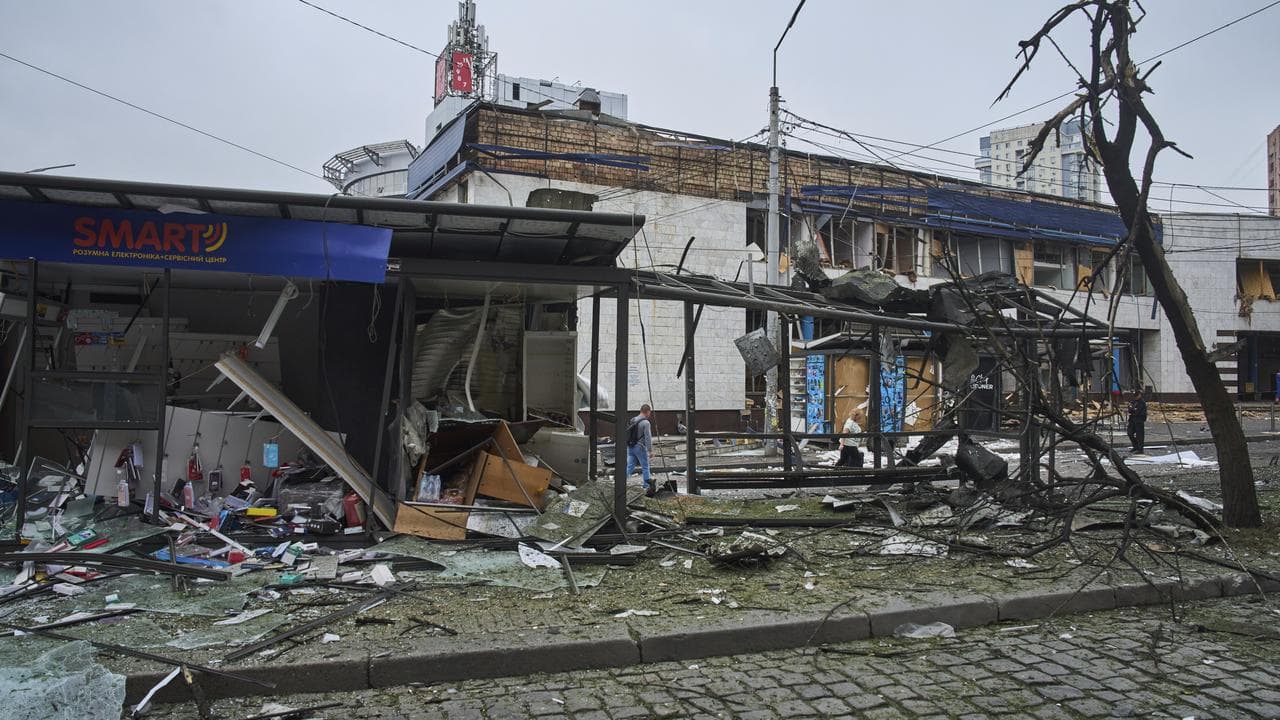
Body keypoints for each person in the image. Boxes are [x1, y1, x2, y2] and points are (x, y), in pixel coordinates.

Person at [626, 404, 655, 496]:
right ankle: (646, 485)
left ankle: (620, 481)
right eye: (650, 412)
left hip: (631, 446)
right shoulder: (646, 423)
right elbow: (648, 437)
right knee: (645, 467)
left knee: (629, 466)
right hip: (640, 447)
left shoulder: (633, 420)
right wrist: (650, 450)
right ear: (648, 412)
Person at [1127, 389, 1147, 454]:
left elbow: (1138, 411)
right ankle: (1135, 446)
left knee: (1140, 435)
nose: (1135, 397)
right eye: (1134, 396)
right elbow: (1130, 409)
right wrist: (1133, 409)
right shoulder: (1133, 401)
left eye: (1136, 396)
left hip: (1139, 420)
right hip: (1132, 420)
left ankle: (1140, 449)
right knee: (1130, 433)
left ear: (1139, 395)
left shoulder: (1142, 402)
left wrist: (1133, 410)